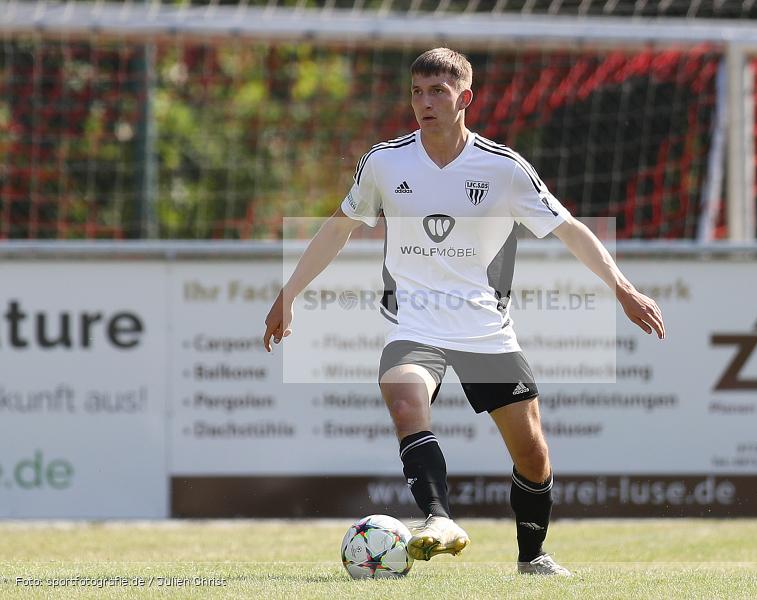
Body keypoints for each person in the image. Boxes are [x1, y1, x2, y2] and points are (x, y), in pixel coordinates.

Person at [263, 48, 665, 576]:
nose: (424, 103)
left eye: (437, 92)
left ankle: (532, 556)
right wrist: (289, 292)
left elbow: (569, 228)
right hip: (415, 321)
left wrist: (622, 287)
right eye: (416, 92)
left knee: (533, 456)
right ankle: (438, 519)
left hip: (484, 328)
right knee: (404, 399)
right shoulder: (385, 161)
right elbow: (338, 227)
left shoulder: (503, 168)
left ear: (465, 99)